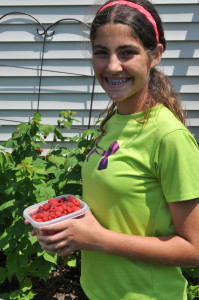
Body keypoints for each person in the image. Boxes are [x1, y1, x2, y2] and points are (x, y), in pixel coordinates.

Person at [35, 1, 199, 299]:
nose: (112, 66)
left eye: (127, 52)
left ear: (155, 55)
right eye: (101, 52)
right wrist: (65, 227)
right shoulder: (115, 119)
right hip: (96, 289)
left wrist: (97, 240)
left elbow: (195, 249)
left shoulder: (169, 137)